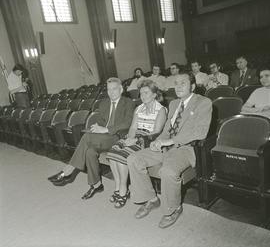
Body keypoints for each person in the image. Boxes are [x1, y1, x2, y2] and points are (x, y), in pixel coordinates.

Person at [127, 73, 212, 229]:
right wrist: (158, 141)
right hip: (166, 146)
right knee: (133, 159)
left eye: (183, 83)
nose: (178, 86)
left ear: (192, 86)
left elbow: (200, 133)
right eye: (176, 83)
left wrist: (170, 141)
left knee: (167, 171)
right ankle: (151, 199)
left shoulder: (203, 102)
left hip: (186, 149)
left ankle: (173, 209)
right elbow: (167, 129)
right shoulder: (173, 104)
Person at [48, 78, 135, 199]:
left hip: (118, 137)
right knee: (89, 152)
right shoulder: (104, 103)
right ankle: (96, 184)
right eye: (109, 89)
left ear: (121, 89)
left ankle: (68, 170)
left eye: (114, 89)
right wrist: (98, 127)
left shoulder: (128, 102)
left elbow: (128, 122)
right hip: (103, 138)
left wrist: (107, 130)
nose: (111, 92)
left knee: (86, 137)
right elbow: (100, 122)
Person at [106, 80, 167, 208]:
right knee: (113, 151)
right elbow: (133, 127)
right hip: (135, 136)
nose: (143, 96)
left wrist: (136, 140)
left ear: (154, 94)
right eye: (141, 93)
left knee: (123, 156)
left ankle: (123, 190)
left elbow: (156, 132)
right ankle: (118, 187)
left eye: (146, 93)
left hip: (148, 140)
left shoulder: (161, 110)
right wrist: (130, 139)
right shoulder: (139, 108)